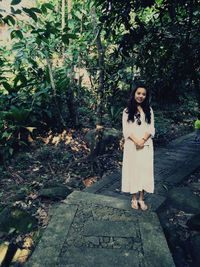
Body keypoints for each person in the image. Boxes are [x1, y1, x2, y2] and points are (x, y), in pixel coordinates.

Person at [121, 83, 155, 210]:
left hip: (145, 145)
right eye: (138, 93)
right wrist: (136, 141)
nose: (141, 96)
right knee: (133, 170)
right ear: (134, 94)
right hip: (132, 146)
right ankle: (134, 198)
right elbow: (126, 131)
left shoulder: (149, 110)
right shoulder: (126, 111)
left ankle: (141, 198)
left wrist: (143, 140)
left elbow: (151, 128)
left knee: (144, 170)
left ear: (146, 96)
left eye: (143, 94)